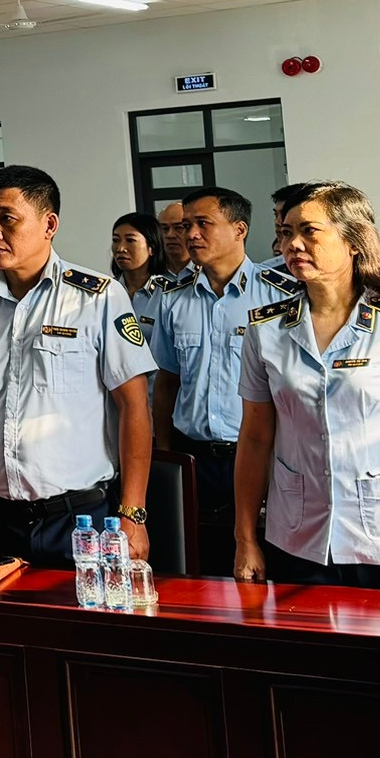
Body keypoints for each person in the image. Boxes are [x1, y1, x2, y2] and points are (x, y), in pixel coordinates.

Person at [234, 181, 380, 595]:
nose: (293, 244)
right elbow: (255, 437)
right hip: (297, 534)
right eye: (286, 232)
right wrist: (245, 536)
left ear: (354, 241)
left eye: (310, 231)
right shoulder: (265, 330)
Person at [0, 166, 157, 568]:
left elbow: (134, 405)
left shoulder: (97, 298)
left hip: (80, 518)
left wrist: (132, 513)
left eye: (7, 218)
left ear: (49, 225)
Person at [144, 187, 298, 574]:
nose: (190, 235)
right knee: (195, 567)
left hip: (260, 456)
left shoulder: (280, 297)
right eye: (185, 226)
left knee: (261, 567)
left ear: (239, 229)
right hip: (192, 458)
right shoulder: (173, 299)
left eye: (203, 224)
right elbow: (167, 382)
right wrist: (166, 455)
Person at [110, 212, 165, 300]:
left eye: (130, 240)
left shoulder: (168, 293)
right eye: (116, 240)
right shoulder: (106, 291)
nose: (120, 249)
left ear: (152, 248)